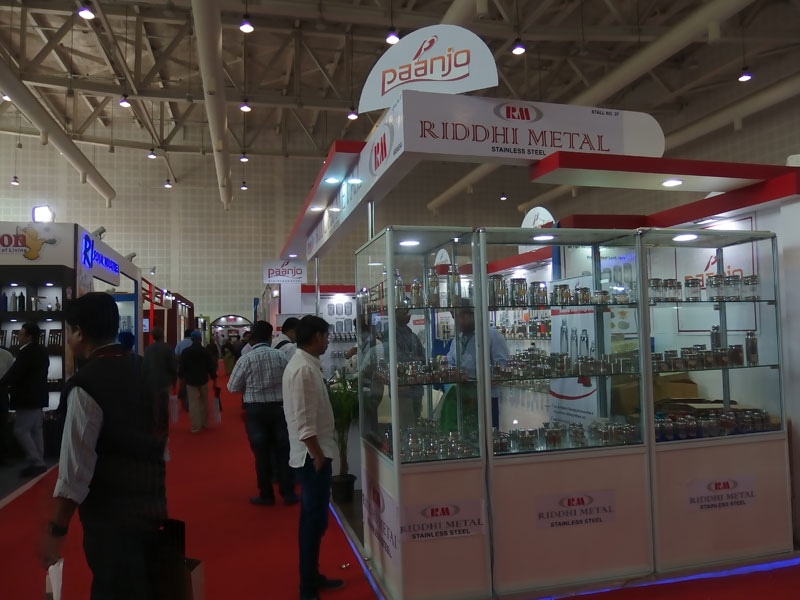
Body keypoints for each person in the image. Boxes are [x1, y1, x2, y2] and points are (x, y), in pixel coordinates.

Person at [38, 292, 167, 599]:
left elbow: (74, 471)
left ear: (79, 332)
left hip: (111, 520)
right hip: (153, 506)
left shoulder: (86, 384)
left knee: (113, 589)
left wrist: (56, 530)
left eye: (69, 330)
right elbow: (161, 436)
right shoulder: (143, 368)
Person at [282, 316, 344, 600]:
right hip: (312, 457)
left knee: (316, 521)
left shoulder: (307, 365)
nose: (328, 342)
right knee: (312, 522)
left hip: (315, 454)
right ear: (316, 337)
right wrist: (318, 457)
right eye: (326, 336)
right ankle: (307, 585)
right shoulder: (303, 370)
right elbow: (304, 422)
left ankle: (312, 575)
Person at [227, 321, 297, 506]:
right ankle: (288, 492)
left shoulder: (245, 359)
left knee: (261, 454)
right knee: (284, 451)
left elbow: (232, 387)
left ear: (253, 338)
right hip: (279, 409)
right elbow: (291, 381)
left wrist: (249, 388)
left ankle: (266, 495)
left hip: (255, 411)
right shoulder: (280, 356)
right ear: (269, 337)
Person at [446, 307, 509, 428]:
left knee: (487, 434)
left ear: (470, 315)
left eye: (458, 317)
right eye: (454, 317)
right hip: (462, 397)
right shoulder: (457, 339)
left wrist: (478, 374)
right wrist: (452, 372)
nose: (456, 321)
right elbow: (450, 361)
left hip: (486, 399)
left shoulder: (493, 336)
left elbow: (503, 367)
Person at [0, 322, 49, 477]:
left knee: (20, 430)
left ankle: (37, 462)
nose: (18, 336)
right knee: (36, 430)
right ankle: (38, 461)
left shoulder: (26, 352)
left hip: (26, 398)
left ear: (28, 336)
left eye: (21, 334)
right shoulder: (42, 351)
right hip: (38, 397)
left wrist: (2, 383)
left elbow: (15, 373)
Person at [391, 306, 426, 428]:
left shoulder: (411, 334)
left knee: (415, 423)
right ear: (395, 314)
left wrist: (416, 360)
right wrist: (415, 360)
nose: (408, 314)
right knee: (405, 424)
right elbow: (398, 358)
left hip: (416, 389)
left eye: (408, 312)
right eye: (404, 312)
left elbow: (423, 356)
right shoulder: (391, 334)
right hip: (402, 390)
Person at [179, 330, 217, 433]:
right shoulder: (205, 351)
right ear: (200, 339)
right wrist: (214, 380)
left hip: (190, 380)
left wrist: (181, 378)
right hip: (203, 379)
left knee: (193, 403)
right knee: (204, 402)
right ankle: (205, 423)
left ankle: (195, 426)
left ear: (192, 339)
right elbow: (211, 367)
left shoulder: (186, 352)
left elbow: (182, 367)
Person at [142, 327, 178, 437]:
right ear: (162, 335)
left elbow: (144, 366)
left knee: (154, 404)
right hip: (165, 381)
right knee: (164, 404)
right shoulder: (168, 348)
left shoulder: (148, 349)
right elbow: (172, 366)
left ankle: (155, 426)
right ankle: (164, 426)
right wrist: (174, 381)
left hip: (151, 381)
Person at [0, 345, 13, 465]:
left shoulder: (7, 355)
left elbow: (11, 375)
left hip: (2, 392)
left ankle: (2, 457)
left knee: (2, 425)